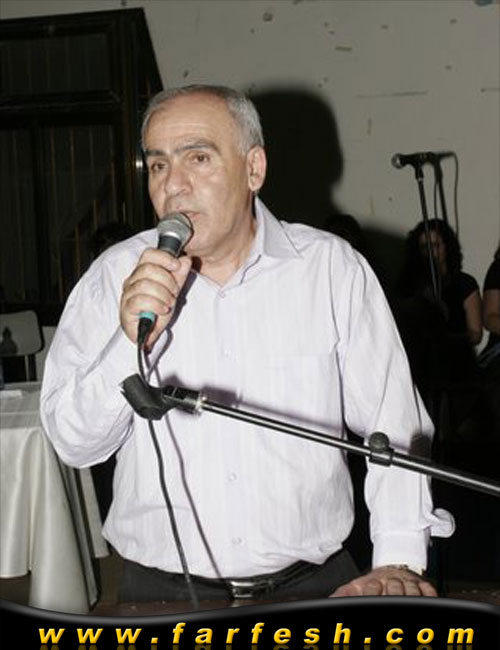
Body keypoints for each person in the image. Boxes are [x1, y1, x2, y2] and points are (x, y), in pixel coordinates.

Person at [40, 84, 453, 604]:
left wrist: (397, 557)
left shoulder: (330, 270)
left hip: (315, 586)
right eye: (159, 164)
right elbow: (74, 444)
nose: (174, 185)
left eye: (198, 158)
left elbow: (394, 423)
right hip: (162, 596)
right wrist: (130, 342)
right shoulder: (114, 276)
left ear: (253, 169)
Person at [395, 219, 482, 443]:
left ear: (447, 247)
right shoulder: (408, 284)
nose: (431, 252)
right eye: (425, 247)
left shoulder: (463, 283)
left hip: (457, 366)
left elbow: (475, 333)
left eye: (436, 245)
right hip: (420, 366)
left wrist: (446, 337)